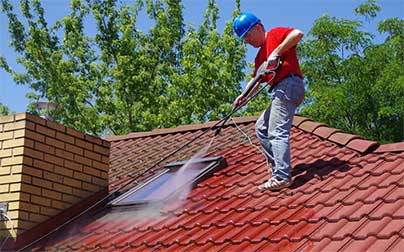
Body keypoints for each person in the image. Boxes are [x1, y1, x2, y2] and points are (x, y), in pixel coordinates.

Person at [232, 13, 305, 191]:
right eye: (244, 39)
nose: (247, 41)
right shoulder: (259, 58)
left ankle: (282, 176)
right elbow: (257, 79)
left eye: (247, 36)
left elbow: (298, 33)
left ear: (258, 27)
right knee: (261, 128)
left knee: (276, 130)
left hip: (289, 84)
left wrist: (277, 52)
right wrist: (244, 96)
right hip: (280, 89)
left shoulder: (274, 34)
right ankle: (277, 169)